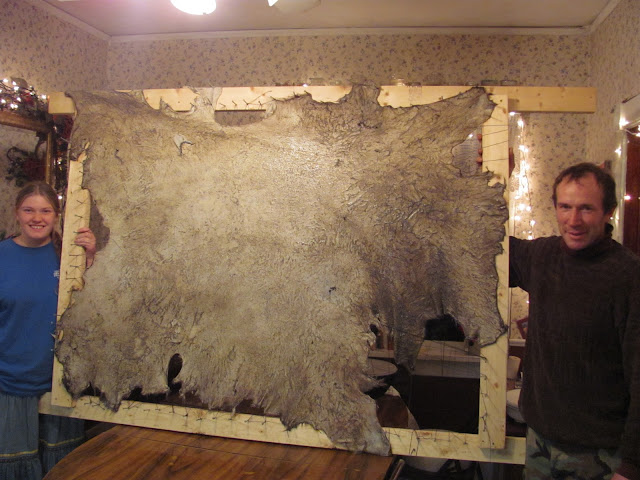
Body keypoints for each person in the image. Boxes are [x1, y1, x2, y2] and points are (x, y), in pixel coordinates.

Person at [510, 162, 640, 480]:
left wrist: (632, 465)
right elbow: (481, 242)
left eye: (586, 209)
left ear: (609, 212)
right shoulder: (541, 257)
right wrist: (489, 174)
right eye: (565, 207)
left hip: (599, 456)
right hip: (540, 442)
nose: (573, 220)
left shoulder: (628, 276)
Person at [0, 181, 96, 479]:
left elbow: (95, 311)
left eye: (45, 211)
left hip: (59, 382)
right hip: (9, 382)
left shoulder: (70, 257)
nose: (37, 218)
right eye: (29, 210)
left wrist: (90, 259)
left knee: (61, 468)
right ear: (17, 213)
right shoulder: (2, 256)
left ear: (57, 215)